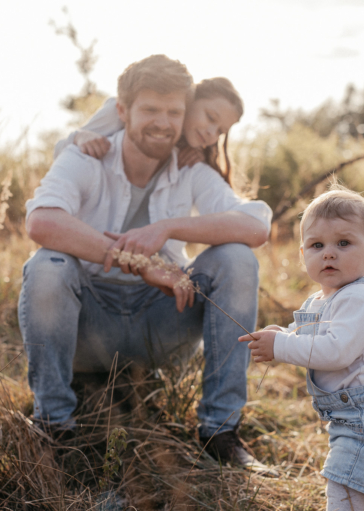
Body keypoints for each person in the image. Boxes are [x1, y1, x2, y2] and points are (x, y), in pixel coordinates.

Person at [20, 54, 273, 469]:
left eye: (174, 111)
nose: (163, 121)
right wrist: (139, 263)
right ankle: (55, 428)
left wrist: (168, 228)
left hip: (161, 323)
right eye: (150, 109)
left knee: (237, 258)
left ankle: (220, 433)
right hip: (90, 323)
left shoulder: (191, 168)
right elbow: (42, 221)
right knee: (49, 265)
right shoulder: (86, 154)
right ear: (121, 111)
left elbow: (256, 226)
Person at [239, 185, 364, 510]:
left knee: (343, 492)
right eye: (317, 245)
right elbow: (309, 334)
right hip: (357, 419)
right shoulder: (323, 299)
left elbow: (336, 351)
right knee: (361, 494)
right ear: (302, 254)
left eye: (343, 243)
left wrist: (280, 345)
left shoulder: (362, 297)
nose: (329, 253)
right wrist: (281, 332)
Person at [54, 77, 244, 186]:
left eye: (220, 131)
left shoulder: (190, 154)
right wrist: (80, 137)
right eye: (210, 117)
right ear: (191, 100)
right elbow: (60, 155)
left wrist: (198, 161)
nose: (212, 133)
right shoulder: (121, 111)